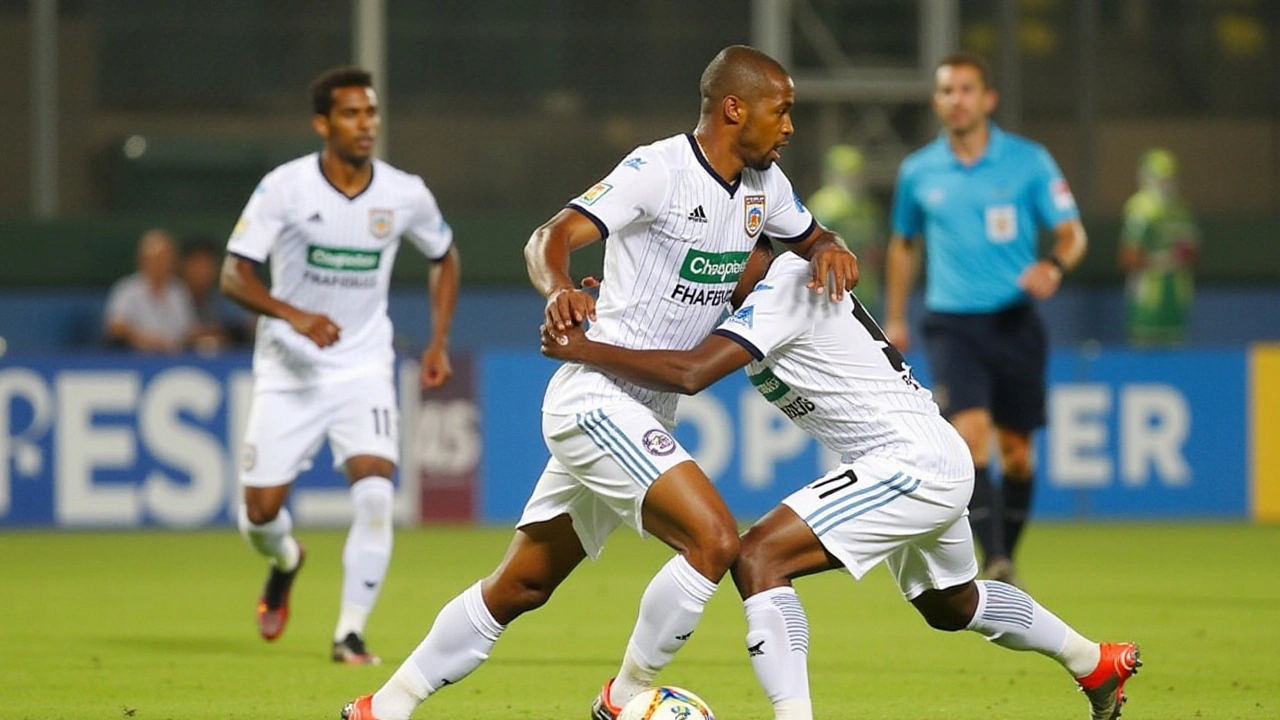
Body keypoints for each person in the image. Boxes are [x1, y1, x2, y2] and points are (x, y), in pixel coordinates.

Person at [340, 44, 857, 720]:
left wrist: (832, 248)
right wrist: (558, 290)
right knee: (715, 539)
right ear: (736, 108)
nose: (789, 126)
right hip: (594, 397)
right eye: (781, 110)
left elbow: (813, 238)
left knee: (522, 584)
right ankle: (626, 694)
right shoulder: (658, 170)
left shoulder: (768, 188)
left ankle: (383, 706)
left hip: (648, 412)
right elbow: (547, 238)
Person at [540, 236, 1140, 720]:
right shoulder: (756, 301)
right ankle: (1092, 660)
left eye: (731, 249)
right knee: (951, 604)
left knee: (757, 559)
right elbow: (674, 338)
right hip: (929, 454)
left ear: (761, 246)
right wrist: (616, 315)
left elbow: (691, 372)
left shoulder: (783, 285)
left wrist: (584, 351)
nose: (716, 264)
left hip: (909, 461)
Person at [220, 65, 461, 665]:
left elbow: (443, 255)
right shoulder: (285, 188)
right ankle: (286, 560)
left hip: (363, 367)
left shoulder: (404, 193)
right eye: (351, 114)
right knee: (260, 514)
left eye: (371, 113)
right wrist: (291, 313)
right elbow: (233, 275)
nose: (365, 125)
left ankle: (348, 633)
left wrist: (437, 341)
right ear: (322, 123)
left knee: (377, 491)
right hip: (290, 369)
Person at [883, 52, 1088, 583]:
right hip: (951, 324)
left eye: (967, 89)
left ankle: (1005, 553)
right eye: (947, 91)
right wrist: (895, 315)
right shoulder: (918, 171)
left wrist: (1055, 264)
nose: (957, 100)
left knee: (1017, 454)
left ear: (988, 99)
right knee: (969, 440)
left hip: (1014, 322)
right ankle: (993, 558)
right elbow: (904, 245)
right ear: (937, 101)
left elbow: (1072, 233)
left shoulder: (1028, 160)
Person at [1117, 148, 1199, 347]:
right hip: (1147, 294)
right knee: (1143, 351)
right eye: (1159, 177)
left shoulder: (1182, 209)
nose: (1164, 184)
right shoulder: (1140, 207)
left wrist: (1182, 254)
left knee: (1175, 350)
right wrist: (1162, 260)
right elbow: (1128, 256)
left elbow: (1192, 250)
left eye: (1168, 177)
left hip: (1177, 292)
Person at [806, 144, 886, 318]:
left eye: (857, 174)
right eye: (849, 174)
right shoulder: (824, 204)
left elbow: (877, 247)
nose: (854, 180)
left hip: (867, 289)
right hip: (832, 290)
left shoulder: (868, 207)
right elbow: (810, 249)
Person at [103, 228, 197, 353]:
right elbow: (115, 327)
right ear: (142, 260)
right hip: (136, 357)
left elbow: (188, 330)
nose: (161, 263)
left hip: (173, 357)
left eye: (166, 258)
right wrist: (142, 339)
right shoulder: (127, 289)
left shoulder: (178, 290)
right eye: (156, 258)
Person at [179, 237, 254, 352]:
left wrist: (216, 333)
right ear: (184, 266)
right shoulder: (172, 295)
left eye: (206, 264)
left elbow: (241, 327)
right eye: (197, 263)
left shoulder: (225, 298)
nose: (202, 271)